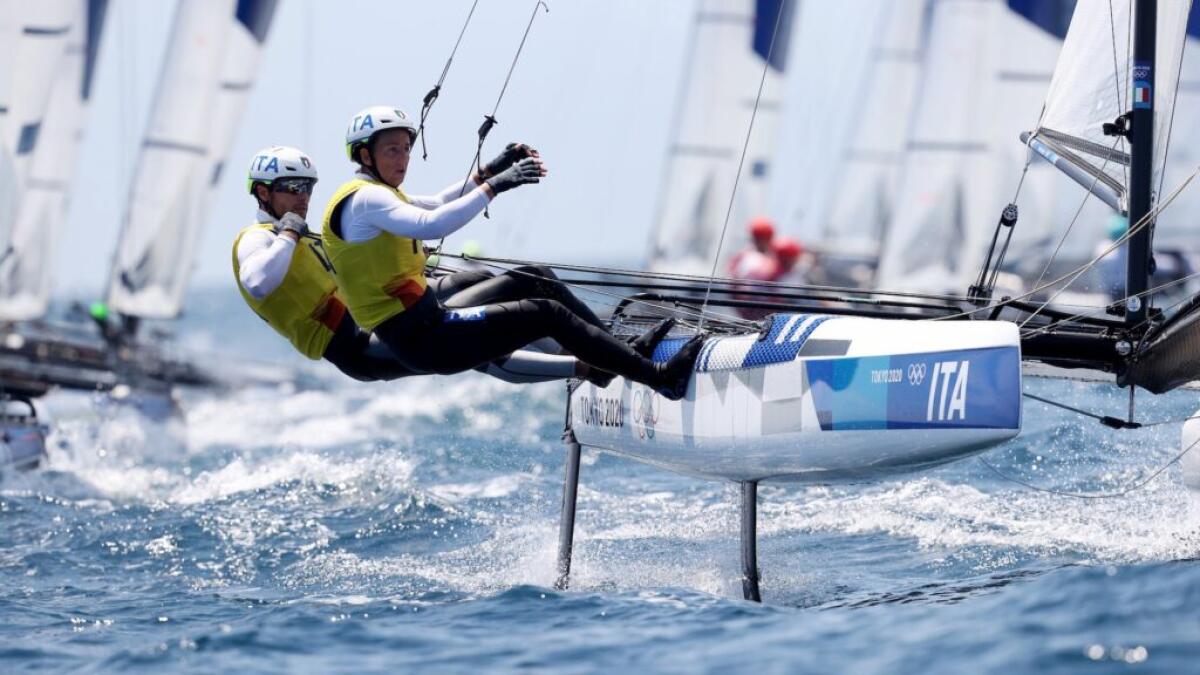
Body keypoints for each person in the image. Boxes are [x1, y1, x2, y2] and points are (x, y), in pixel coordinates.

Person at [320, 106, 701, 399]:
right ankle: (661, 379)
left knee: (535, 278)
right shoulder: (367, 200)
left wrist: (487, 172)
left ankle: (616, 356)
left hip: (426, 320)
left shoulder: (379, 193)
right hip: (422, 338)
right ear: (365, 156)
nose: (402, 159)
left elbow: (437, 201)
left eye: (405, 149)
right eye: (391, 151)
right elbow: (430, 224)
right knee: (545, 314)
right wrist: (495, 187)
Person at [232, 145, 605, 385]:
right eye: (293, 188)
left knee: (478, 282)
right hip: (359, 347)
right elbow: (258, 283)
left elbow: (434, 204)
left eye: (308, 187)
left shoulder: (299, 233)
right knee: (475, 348)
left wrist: (485, 174)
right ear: (263, 193)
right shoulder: (257, 239)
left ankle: (578, 344)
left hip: (380, 317)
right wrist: (289, 233)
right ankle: (586, 368)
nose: (304, 197)